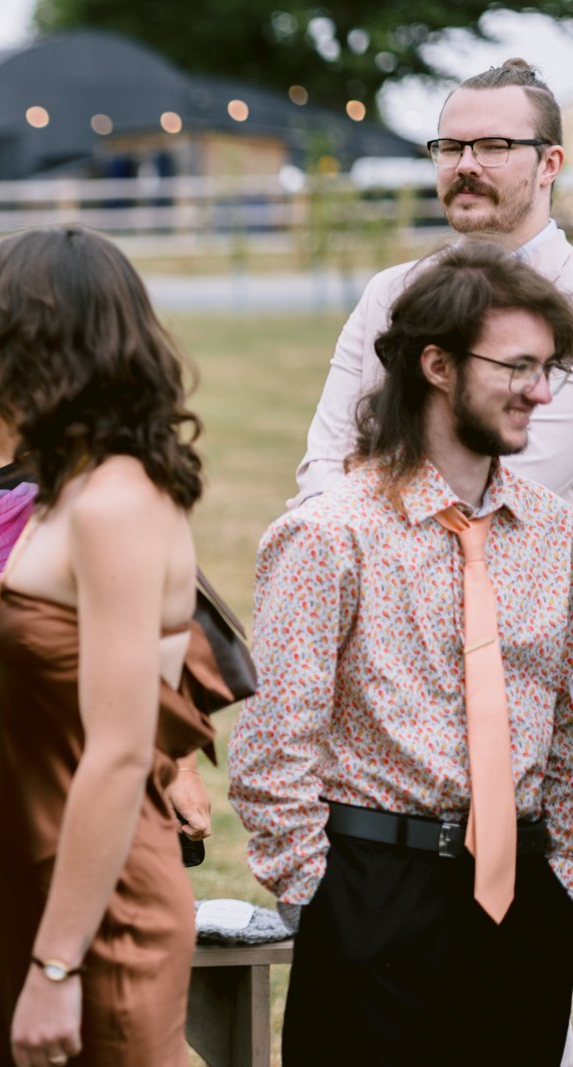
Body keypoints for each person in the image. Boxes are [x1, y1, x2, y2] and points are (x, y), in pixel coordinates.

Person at [230, 242, 573, 1065]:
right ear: (438, 365)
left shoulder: (557, 533)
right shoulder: (327, 533)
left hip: (525, 898)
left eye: (550, 366)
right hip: (372, 889)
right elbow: (276, 745)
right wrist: (317, 894)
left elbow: (566, 731)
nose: (542, 389)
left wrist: (560, 871)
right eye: (518, 365)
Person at [0, 342, 213, 1065]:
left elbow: (165, 627)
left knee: (87, 957)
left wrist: (179, 764)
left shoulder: (99, 480)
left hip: (81, 754)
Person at [0, 226, 213, 1067]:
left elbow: (117, 751)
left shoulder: (119, 503)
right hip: (31, 885)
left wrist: (58, 964)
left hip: (101, 911)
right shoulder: (67, 487)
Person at [295, 58, 573, 506]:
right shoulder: (390, 292)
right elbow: (323, 466)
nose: (465, 165)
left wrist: (364, 492)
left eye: (492, 146)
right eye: (450, 147)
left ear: (549, 164)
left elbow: (508, 491)